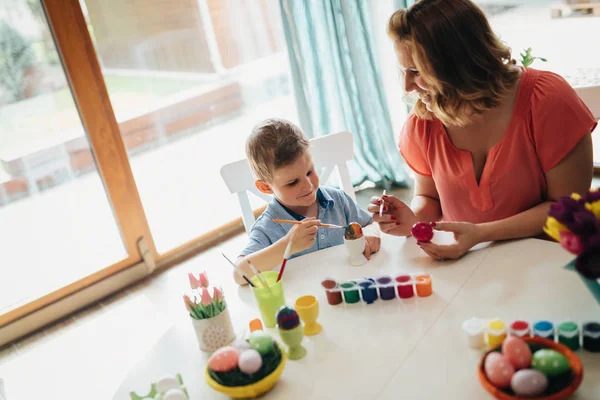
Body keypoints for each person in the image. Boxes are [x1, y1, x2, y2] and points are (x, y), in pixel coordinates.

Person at [367, 0, 596, 261]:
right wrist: (411, 219)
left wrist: (480, 233)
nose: (407, 86)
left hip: (549, 262)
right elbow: (428, 196)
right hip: (467, 264)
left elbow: (565, 207)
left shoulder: (546, 100)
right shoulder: (424, 120)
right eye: (403, 71)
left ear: (458, 63)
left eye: (416, 71)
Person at [234, 118, 381, 285]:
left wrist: (371, 234)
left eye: (310, 171)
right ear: (266, 188)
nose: (308, 185)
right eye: (293, 182)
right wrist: (287, 245)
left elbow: (369, 223)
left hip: (352, 286)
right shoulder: (268, 227)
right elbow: (239, 274)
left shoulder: (338, 200)